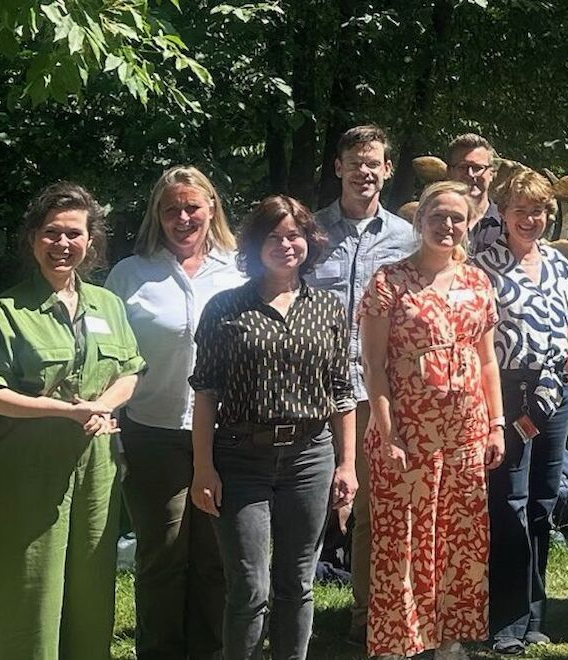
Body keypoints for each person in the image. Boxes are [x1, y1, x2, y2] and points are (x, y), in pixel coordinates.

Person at [188, 195, 360, 660]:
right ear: (254, 245)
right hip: (241, 457)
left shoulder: (328, 308)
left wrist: (348, 464)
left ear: (309, 241)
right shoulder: (225, 308)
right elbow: (205, 392)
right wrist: (202, 468)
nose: (286, 245)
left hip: (310, 457)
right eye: (274, 236)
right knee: (248, 585)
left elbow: (342, 391)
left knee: (297, 581)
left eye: (294, 235)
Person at [0, 182, 145, 660]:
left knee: (92, 589)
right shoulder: (5, 312)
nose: (63, 244)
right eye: (51, 233)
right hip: (26, 466)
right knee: (29, 588)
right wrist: (69, 411)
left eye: (74, 234)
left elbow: (131, 370)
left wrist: (105, 406)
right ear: (33, 239)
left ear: (90, 242)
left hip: (96, 467)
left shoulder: (108, 304)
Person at [359, 181, 507, 659]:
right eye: (437, 217)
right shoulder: (388, 282)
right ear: (420, 220)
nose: (447, 226)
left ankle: (449, 638)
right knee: (405, 536)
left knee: (459, 536)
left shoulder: (477, 282)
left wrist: (497, 423)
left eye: (457, 218)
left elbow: (487, 361)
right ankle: (401, 641)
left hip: (465, 430)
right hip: (408, 430)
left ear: (469, 224)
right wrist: (388, 432)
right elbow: (374, 366)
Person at [105, 165, 244, 660]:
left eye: (193, 207)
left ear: (212, 208)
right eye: (172, 209)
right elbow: (112, 356)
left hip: (226, 435)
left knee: (214, 558)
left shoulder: (239, 270)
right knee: (162, 555)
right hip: (152, 431)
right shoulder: (130, 273)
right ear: (157, 215)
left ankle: (208, 651)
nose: (183, 217)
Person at [308, 124, 419, 644]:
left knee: (374, 511)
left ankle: (366, 618)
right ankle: (289, 617)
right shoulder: (310, 233)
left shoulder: (407, 238)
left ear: (388, 169)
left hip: (375, 392)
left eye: (373, 162)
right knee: (304, 508)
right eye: (355, 162)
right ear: (338, 168)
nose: (364, 171)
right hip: (312, 391)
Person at [474, 170, 568, 654]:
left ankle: (536, 614)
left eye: (538, 210)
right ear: (503, 213)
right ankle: (506, 621)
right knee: (508, 503)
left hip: (555, 394)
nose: (531, 219)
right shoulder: (484, 266)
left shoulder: (559, 263)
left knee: (541, 503)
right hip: (510, 393)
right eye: (521, 210)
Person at [450, 133, 505, 253]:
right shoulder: (434, 222)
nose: (470, 174)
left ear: (491, 173)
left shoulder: (508, 224)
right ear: (449, 172)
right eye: (463, 167)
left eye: (477, 168)